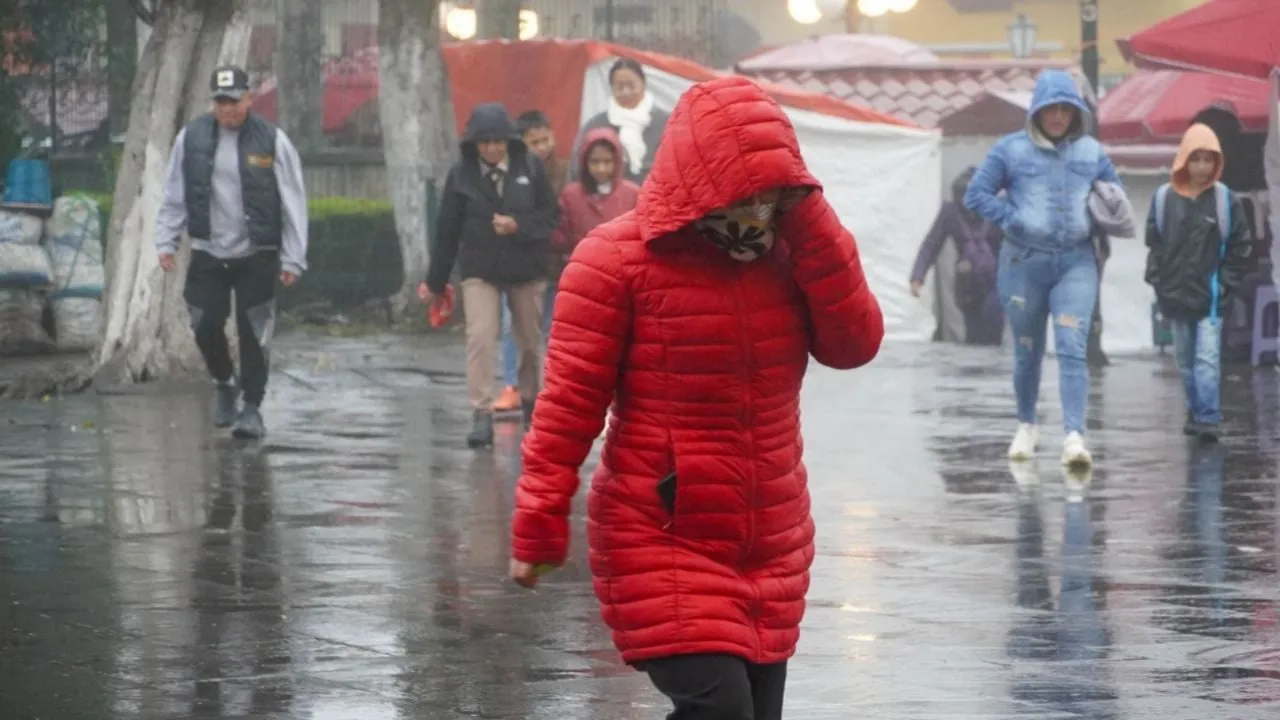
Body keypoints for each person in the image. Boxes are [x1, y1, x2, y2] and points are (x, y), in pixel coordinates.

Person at [508, 77, 884, 720]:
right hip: (661, 535)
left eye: (774, 189)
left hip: (771, 538)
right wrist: (539, 521)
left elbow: (855, 343)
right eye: (747, 187)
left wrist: (811, 218)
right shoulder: (615, 260)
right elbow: (568, 405)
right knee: (721, 710)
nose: (759, 206)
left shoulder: (789, 250)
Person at [965, 68, 1121, 468]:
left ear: (1076, 112)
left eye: (1066, 109)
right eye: (1051, 108)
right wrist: (1011, 218)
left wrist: (1109, 212)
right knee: (1026, 350)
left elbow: (1114, 194)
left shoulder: (1092, 152)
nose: (1058, 116)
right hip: (1023, 264)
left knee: (1072, 345)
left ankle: (1074, 437)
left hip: (1076, 263)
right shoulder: (1010, 150)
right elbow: (976, 193)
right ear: (1037, 110)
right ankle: (1027, 425)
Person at [155, 65, 309, 440]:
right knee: (203, 323)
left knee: (254, 332)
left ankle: (252, 408)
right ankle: (225, 381)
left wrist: (293, 257)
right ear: (213, 103)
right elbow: (175, 192)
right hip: (209, 251)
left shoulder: (272, 140)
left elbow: (293, 199)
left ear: (249, 99)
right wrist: (166, 240)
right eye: (221, 101)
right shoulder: (190, 138)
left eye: (235, 100)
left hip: (257, 252)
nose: (228, 109)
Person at [422, 103, 560, 448]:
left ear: (509, 141)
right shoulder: (461, 176)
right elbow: (447, 231)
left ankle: (532, 404)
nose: (492, 148)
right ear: (474, 144)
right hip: (480, 269)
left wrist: (519, 225)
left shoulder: (530, 167)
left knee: (529, 340)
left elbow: (551, 215)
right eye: (485, 142)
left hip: (526, 268)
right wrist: (436, 282)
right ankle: (481, 413)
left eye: (499, 141)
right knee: (480, 337)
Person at [1145, 123, 1252, 443]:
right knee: (1185, 361)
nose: (1203, 167)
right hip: (1175, 296)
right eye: (1196, 159)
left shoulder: (1224, 201)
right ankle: (1195, 410)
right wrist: (1158, 281)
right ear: (1184, 159)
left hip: (1211, 298)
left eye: (1209, 159)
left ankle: (1208, 417)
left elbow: (1240, 246)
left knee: (1207, 360)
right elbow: (1155, 244)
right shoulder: (1163, 199)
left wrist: (1225, 283)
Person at [494, 110, 568, 414]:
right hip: (520, 262)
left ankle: (546, 385)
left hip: (557, 263)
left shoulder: (566, 171)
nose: (542, 147)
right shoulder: (511, 172)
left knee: (548, 327)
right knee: (512, 326)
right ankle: (512, 385)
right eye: (534, 142)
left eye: (545, 139)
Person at [910, 167, 1004, 346]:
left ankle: (993, 359)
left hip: (995, 279)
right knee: (973, 332)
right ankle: (974, 361)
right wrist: (917, 277)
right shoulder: (950, 212)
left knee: (993, 324)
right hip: (967, 281)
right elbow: (931, 244)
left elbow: (1015, 244)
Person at [571, 58, 669, 184]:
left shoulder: (667, 123)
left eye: (631, 86)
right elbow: (576, 169)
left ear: (643, 84)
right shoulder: (596, 126)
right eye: (619, 87)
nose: (625, 92)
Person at [551, 127, 640, 256]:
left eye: (607, 161)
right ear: (584, 162)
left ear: (617, 161)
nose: (601, 168)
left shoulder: (632, 194)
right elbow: (561, 238)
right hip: (582, 262)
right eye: (594, 162)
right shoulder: (570, 196)